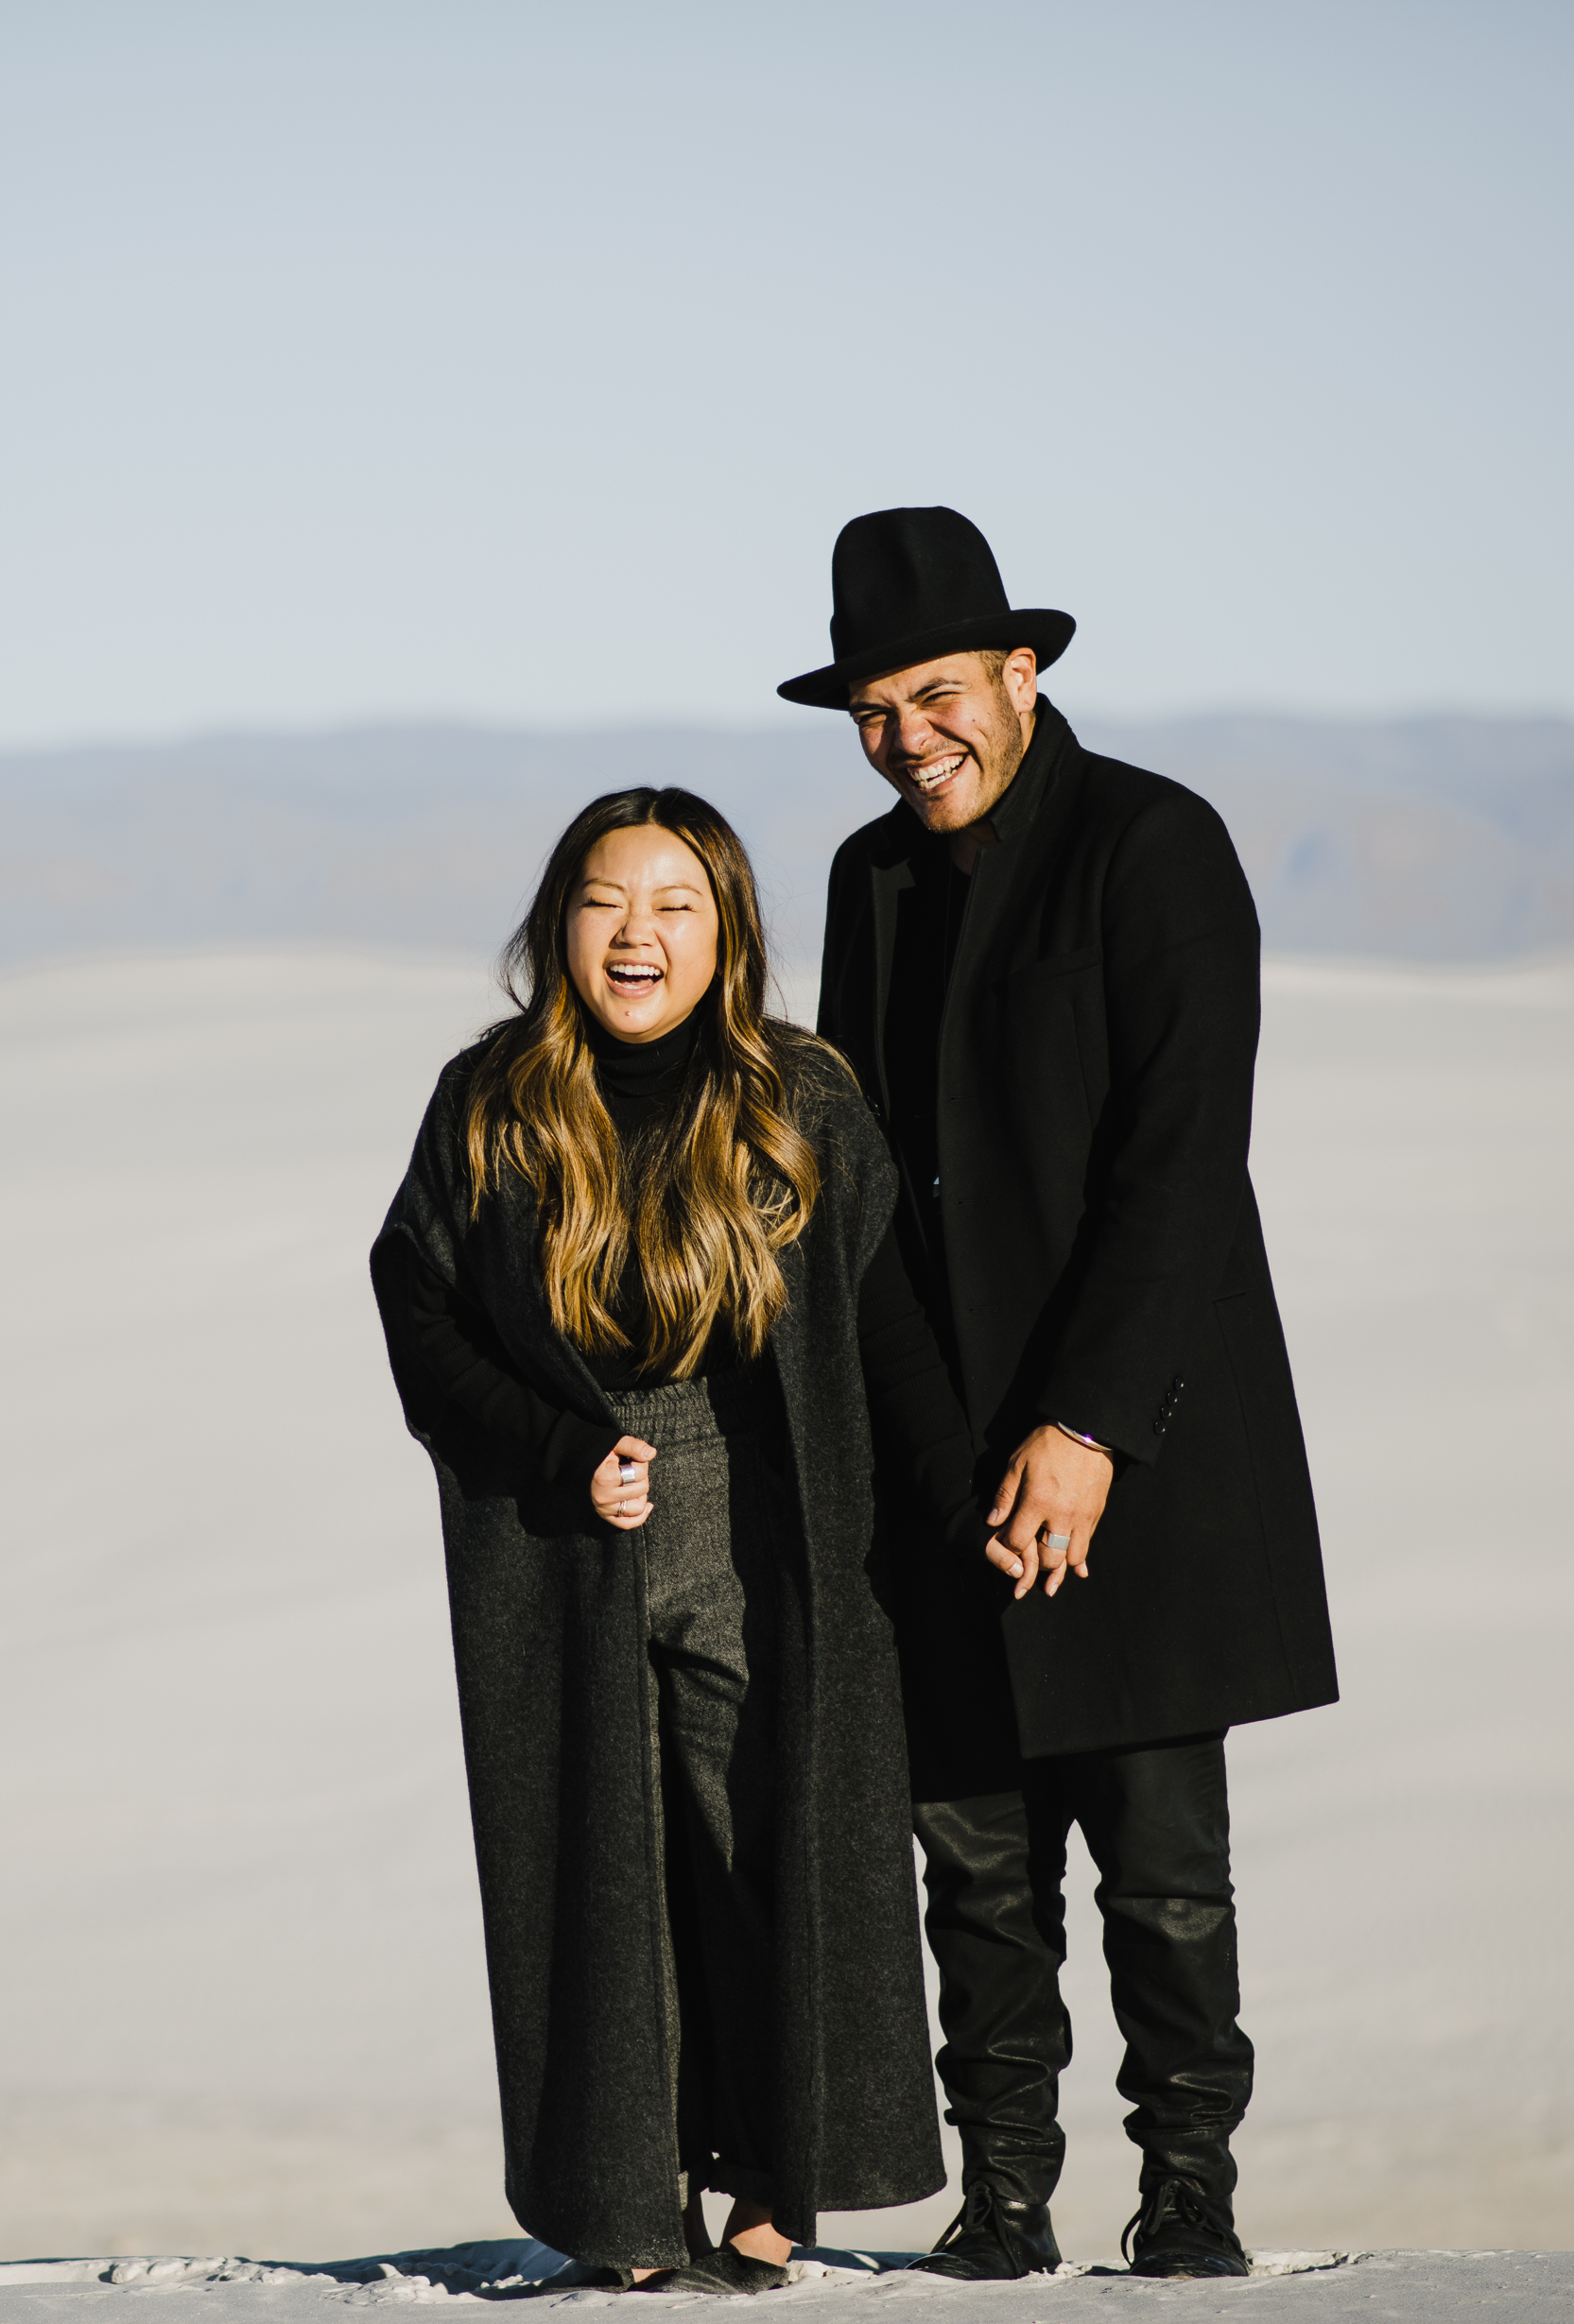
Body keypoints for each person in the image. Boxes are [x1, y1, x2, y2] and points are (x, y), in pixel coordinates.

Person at [783, 508, 1340, 2280]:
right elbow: (859, 1186)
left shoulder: (1153, 846)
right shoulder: (867, 882)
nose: (908, 736)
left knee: (1164, 1874)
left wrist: (1086, 1427)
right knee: (979, 1869)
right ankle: (1005, 2200)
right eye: (874, 710)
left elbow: (1179, 1165)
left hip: (1142, 1448)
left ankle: (1190, 2200)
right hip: (945, 1456)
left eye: (937, 692)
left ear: (1021, 674)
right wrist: (940, 1459)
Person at [370, 787, 980, 2293]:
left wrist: (963, 1508)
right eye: (602, 900)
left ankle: (778, 2189)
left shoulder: (802, 1098)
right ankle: (632, 2216)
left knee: (759, 1845)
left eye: (675, 905)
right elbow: (418, 1307)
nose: (635, 934)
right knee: (596, 1862)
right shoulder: (490, 1101)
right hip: (557, 1524)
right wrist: (561, 1452)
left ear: (730, 931)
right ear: (557, 925)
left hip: (762, 1514)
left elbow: (885, 1327)